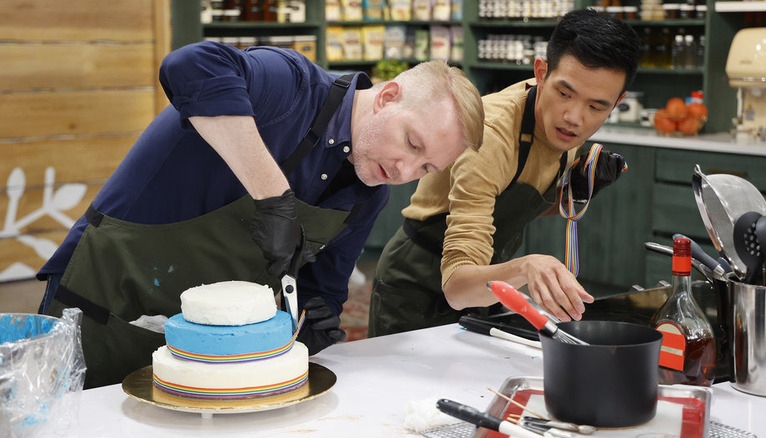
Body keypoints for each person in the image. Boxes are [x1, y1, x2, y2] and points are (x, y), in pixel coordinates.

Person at [37, 41, 484, 388]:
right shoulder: (290, 88)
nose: (404, 171)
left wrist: (310, 325)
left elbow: (319, 293)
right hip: (103, 312)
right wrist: (273, 196)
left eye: (426, 168)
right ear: (387, 97)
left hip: (207, 354)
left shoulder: (365, 198)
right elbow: (191, 65)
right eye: (411, 142)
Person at [368, 9, 640, 337]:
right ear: (541, 72)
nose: (574, 117)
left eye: (596, 107)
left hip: (487, 283)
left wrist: (572, 195)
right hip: (417, 286)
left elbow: (511, 205)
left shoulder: (565, 132)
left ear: (617, 102)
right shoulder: (491, 135)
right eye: (564, 93)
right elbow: (456, 286)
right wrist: (526, 267)